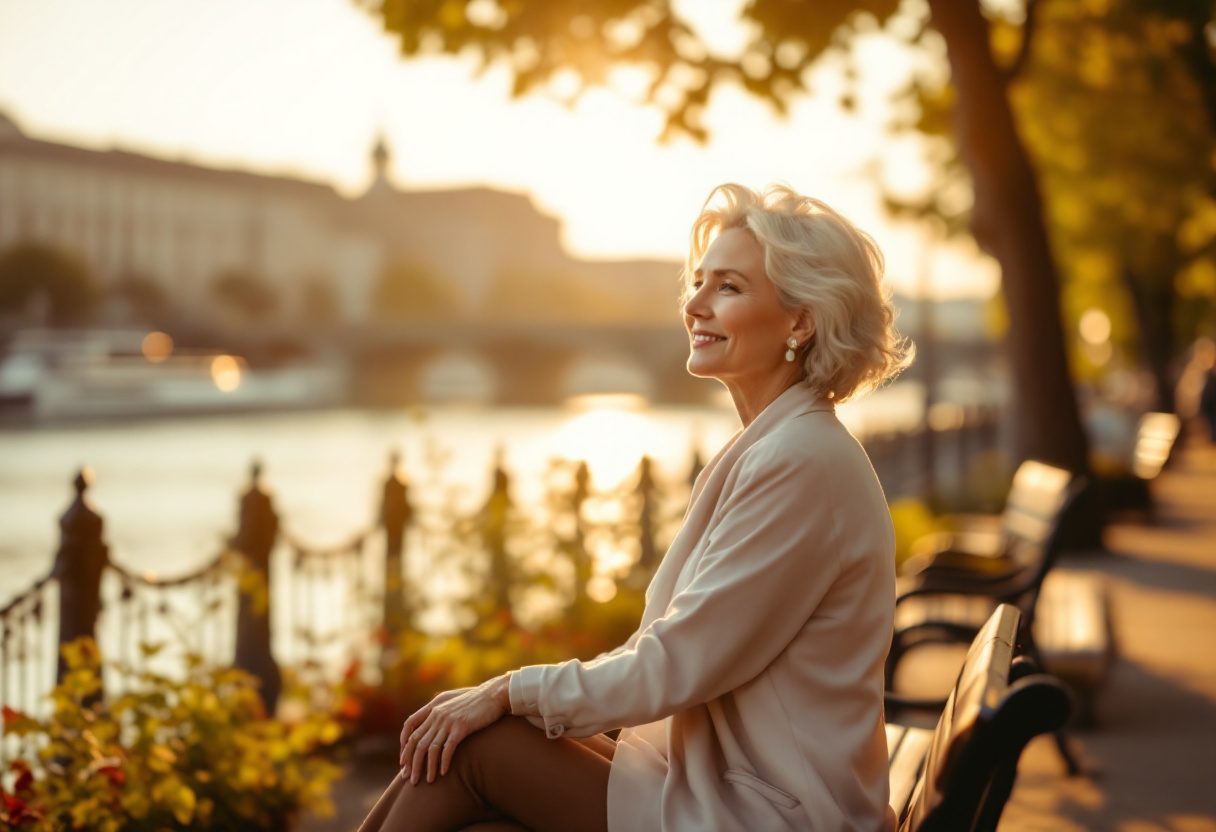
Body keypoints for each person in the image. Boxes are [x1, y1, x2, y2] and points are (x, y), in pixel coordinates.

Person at [358, 183, 913, 832]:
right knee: (477, 742)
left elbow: (673, 665)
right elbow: (680, 661)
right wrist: (514, 701)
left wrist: (508, 689)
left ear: (801, 320)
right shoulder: (784, 446)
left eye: (728, 287)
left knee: (478, 745)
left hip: (774, 815)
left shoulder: (799, 463)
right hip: (747, 787)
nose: (693, 305)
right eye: (698, 282)